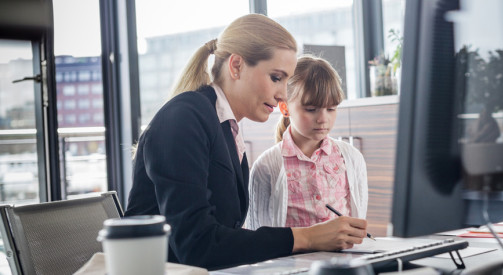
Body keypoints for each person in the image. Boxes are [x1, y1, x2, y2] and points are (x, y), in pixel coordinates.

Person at [125, 14, 368, 271]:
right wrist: (307, 237)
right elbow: (197, 246)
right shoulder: (184, 118)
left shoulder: (225, 129)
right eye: (276, 77)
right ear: (237, 66)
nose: (283, 94)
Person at [246, 55, 368, 230]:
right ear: (285, 107)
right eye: (311, 109)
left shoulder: (352, 158)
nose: (323, 119)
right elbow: (258, 233)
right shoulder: (267, 166)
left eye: (331, 109)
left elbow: (358, 219)